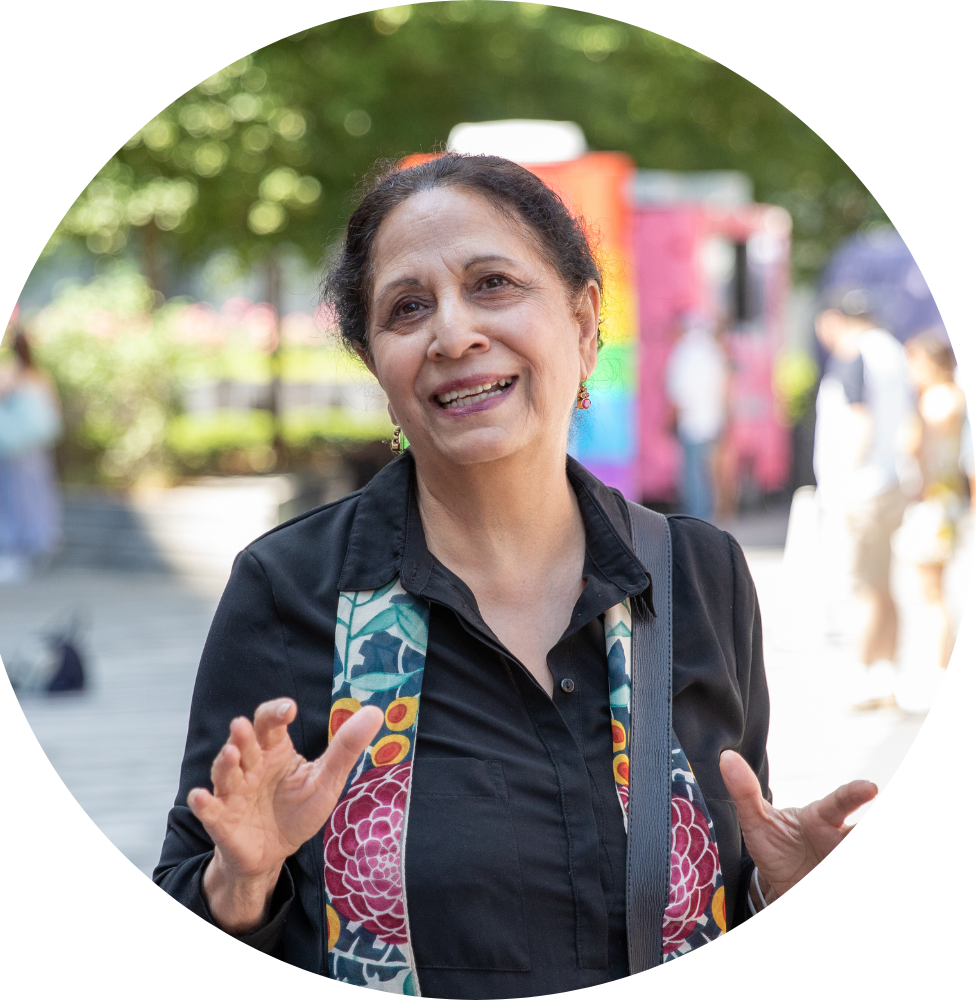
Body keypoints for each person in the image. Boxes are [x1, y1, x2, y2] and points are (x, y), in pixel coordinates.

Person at [155, 155, 875, 992]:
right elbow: (196, 880)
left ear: (583, 322)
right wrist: (243, 881)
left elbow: (705, 887)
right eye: (407, 308)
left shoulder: (695, 574)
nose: (453, 334)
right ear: (378, 367)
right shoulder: (292, 590)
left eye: (493, 283)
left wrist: (771, 888)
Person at [813, 290, 914, 709]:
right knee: (884, 583)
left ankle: (866, 674)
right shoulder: (892, 351)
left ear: (836, 319)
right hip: (891, 479)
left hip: (864, 486)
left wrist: (843, 482)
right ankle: (884, 673)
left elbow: (859, 420)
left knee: (863, 587)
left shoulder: (855, 351)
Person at [894, 333, 967, 670]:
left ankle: (938, 668)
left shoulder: (935, 401)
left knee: (932, 594)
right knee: (935, 593)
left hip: (933, 501)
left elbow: (914, 447)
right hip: (945, 499)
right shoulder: (951, 397)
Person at [0, 330, 62, 584]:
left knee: (18, 498)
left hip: (18, 451)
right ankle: (33, 547)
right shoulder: (38, 376)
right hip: (25, 450)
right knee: (31, 497)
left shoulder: (18, 376)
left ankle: (22, 551)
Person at [664, 314, 728, 522]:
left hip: (691, 422)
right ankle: (706, 519)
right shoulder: (712, 352)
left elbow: (678, 393)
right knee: (706, 473)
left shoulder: (684, 354)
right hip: (712, 421)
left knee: (692, 476)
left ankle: (695, 521)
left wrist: (669, 420)